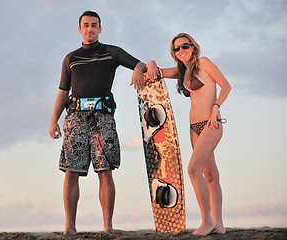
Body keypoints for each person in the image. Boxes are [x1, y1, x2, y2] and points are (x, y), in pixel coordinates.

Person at [49, 11, 147, 235]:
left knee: (105, 171)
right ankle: (70, 227)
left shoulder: (111, 52)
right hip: (75, 118)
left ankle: (107, 226)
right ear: (79, 29)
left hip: (103, 119)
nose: (90, 29)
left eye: (94, 25)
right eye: (86, 25)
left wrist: (140, 69)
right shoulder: (70, 58)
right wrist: (53, 120)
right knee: (71, 172)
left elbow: (138, 63)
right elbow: (63, 91)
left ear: (100, 29)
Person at [147, 33, 231, 236]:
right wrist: (149, 62)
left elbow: (226, 86)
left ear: (193, 46)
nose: (181, 50)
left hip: (211, 123)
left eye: (185, 46)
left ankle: (207, 221)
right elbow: (156, 72)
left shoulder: (203, 62)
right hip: (194, 127)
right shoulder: (182, 71)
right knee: (210, 174)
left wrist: (215, 107)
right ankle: (219, 224)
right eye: (176, 48)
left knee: (193, 169)